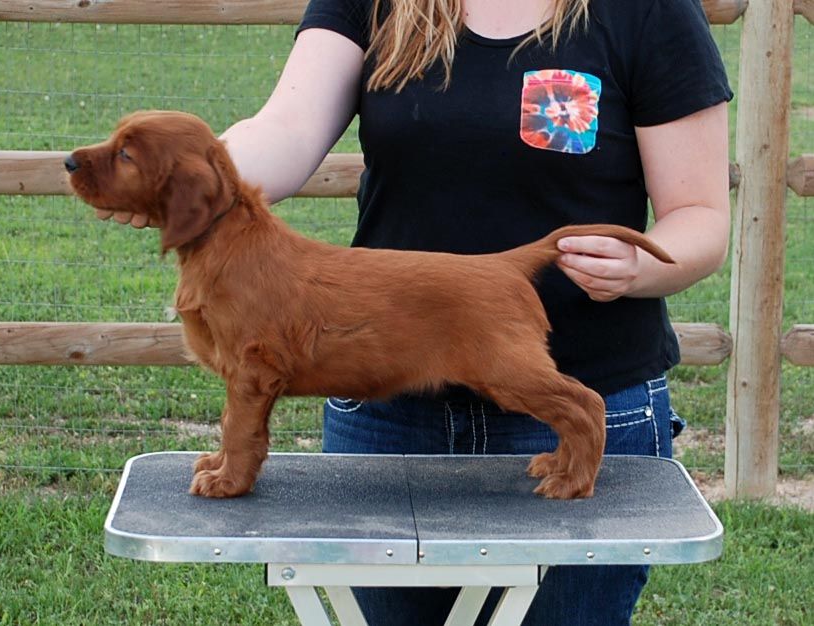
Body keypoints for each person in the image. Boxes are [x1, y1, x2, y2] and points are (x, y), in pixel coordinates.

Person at [100, 0, 732, 623]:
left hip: (590, 379)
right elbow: (286, 129)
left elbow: (700, 213)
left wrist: (641, 267)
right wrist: (190, 182)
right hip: (386, 416)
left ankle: (579, 428)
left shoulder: (648, 10)